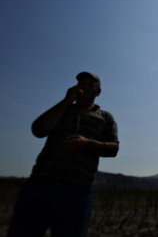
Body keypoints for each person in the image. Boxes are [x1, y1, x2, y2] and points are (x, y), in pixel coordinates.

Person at [8, 72, 119, 237]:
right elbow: (38, 130)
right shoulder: (62, 109)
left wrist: (86, 144)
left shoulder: (105, 117)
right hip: (40, 184)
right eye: (81, 83)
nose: (84, 86)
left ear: (98, 91)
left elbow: (114, 149)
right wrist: (67, 100)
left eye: (91, 84)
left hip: (78, 190)